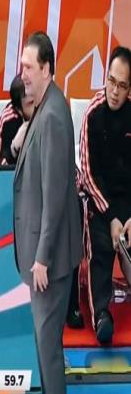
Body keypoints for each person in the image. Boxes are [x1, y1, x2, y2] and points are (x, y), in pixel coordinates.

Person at [14, 32, 82, 394]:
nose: (22, 73)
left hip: (50, 262)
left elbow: (55, 196)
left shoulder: (53, 115)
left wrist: (41, 258)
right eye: (21, 65)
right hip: (47, 256)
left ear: (46, 68)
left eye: (28, 67)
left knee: (48, 348)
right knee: (44, 345)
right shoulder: (46, 106)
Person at [79, 46, 131, 345]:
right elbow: (87, 174)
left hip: (129, 201)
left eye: (122, 85)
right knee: (100, 244)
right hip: (101, 201)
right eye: (111, 81)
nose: (114, 91)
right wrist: (111, 216)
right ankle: (102, 314)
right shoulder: (93, 113)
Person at [0, 75, 34, 165]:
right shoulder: (9, 120)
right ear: (19, 110)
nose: (37, 105)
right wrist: (14, 149)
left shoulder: (47, 112)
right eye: (31, 103)